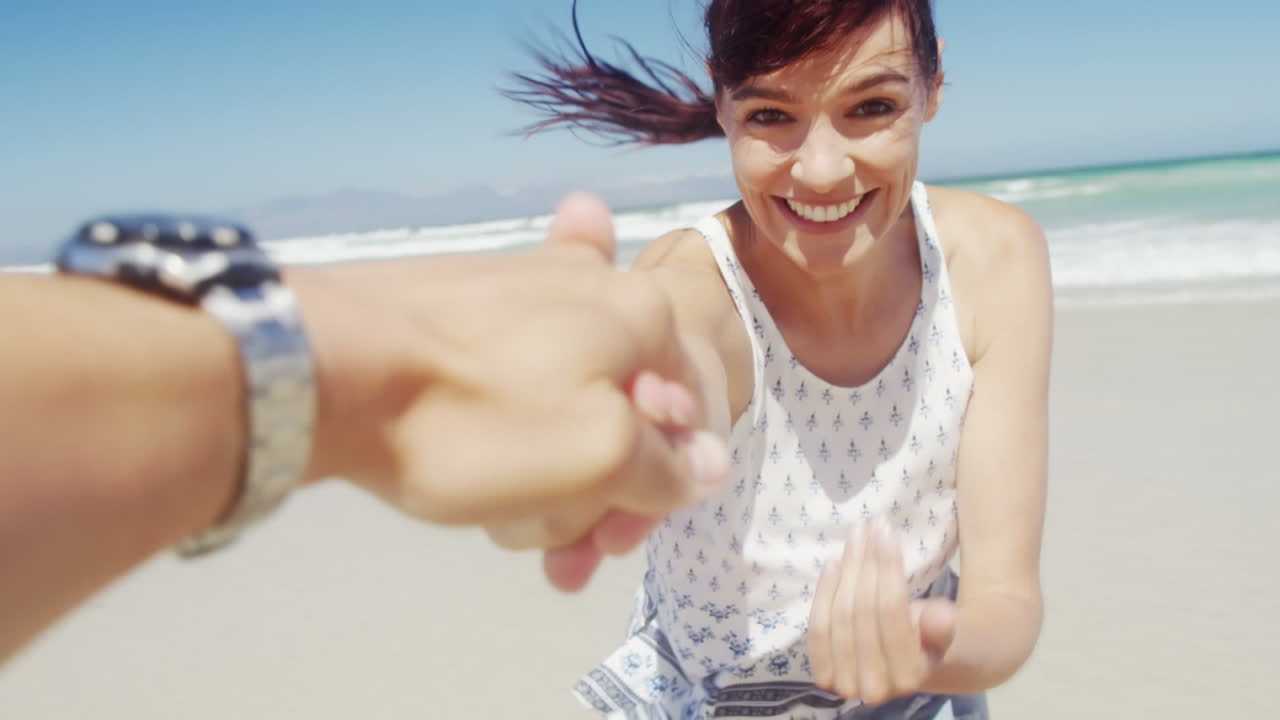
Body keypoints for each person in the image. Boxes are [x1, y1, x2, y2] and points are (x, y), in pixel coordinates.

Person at [507, 1, 1052, 718]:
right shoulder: (696, 283)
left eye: (873, 106)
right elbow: (678, 353)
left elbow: (1006, 602)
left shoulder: (993, 259)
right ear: (722, 105)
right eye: (770, 116)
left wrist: (923, 649)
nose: (822, 171)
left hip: (926, 691)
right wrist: (622, 410)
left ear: (933, 84)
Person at [0, 192, 729, 663]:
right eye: (769, 116)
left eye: (854, 109)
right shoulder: (701, 257)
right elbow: (693, 322)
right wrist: (347, 369)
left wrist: (344, 360)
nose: (819, 166)